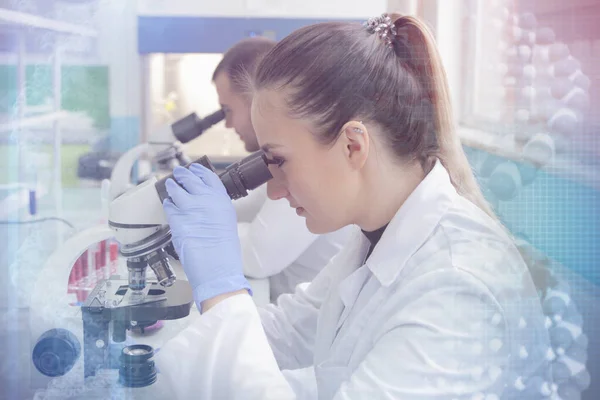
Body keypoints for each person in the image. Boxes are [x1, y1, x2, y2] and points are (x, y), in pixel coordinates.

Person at [157, 13, 551, 399]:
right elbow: (288, 335)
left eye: (277, 161)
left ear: (353, 145)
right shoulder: (374, 239)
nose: (273, 192)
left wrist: (223, 294)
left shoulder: (457, 291)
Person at [212, 37, 354, 301]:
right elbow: (243, 209)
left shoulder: (308, 161)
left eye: (228, 110)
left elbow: (258, 256)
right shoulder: (289, 160)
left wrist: (200, 234)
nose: (228, 124)